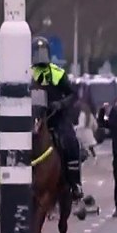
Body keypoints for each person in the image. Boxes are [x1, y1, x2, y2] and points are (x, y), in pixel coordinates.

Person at [31, 37, 83, 200]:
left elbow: (73, 94)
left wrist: (60, 104)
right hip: (34, 118)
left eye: (43, 53)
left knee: (71, 143)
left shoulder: (58, 73)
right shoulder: (26, 73)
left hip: (57, 118)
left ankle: (75, 184)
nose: (40, 57)